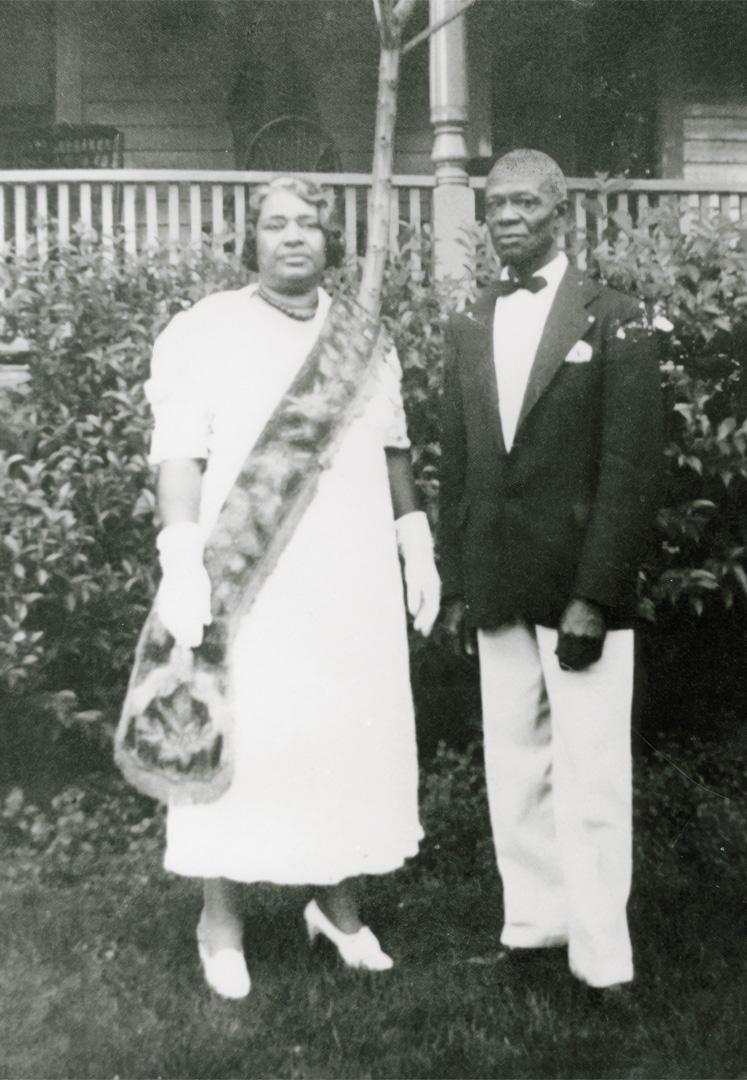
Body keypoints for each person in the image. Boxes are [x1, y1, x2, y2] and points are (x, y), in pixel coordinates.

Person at [143, 175, 441, 999]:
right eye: (275, 224)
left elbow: (393, 448)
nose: (294, 237)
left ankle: (337, 910)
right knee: (246, 733)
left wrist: (413, 537)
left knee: (343, 732)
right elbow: (179, 455)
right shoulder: (204, 331)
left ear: (330, 240)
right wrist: (180, 553)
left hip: (347, 575)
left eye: (310, 223)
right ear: (252, 239)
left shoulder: (362, 337)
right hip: (246, 575)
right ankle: (221, 921)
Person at [438, 150, 664, 997]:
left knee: (594, 773)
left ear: (562, 213)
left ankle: (603, 957)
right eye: (495, 205)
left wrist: (594, 595)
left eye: (526, 204)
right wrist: (458, 583)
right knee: (515, 761)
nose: (507, 218)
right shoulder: (467, 319)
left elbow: (632, 465)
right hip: (497, 579)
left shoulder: (618, 318)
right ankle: (534, 927)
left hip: (579, 591)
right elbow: (458, 459)